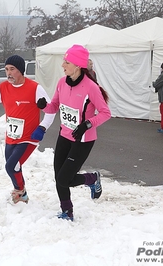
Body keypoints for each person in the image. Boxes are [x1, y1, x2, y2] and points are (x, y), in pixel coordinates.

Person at [36, 44, 111, 221]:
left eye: (67, 62)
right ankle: (67, 211)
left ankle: (92, 179)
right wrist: (44, 106)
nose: (63, 65)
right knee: (59, 177)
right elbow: (54, 106)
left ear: (78, 65)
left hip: (83, 140)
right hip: (64, 135)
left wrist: (87, 124)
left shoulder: (90, 87)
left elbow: (105, 113)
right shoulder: (62, 83)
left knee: (64, 178)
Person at [0, 55, 55, 204]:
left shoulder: (35, 88)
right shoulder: (3, 87)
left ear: (21, 71)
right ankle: (21, 192)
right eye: (6, 69)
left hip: (30, 136)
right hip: (11, 135)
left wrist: (42, 128)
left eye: (12, 69)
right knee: (13, 167)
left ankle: (20, 192)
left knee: (12, 166)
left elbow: (51, 111)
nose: (8, 73)